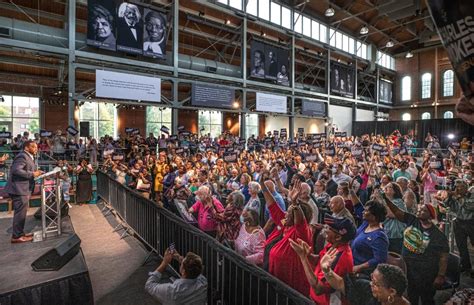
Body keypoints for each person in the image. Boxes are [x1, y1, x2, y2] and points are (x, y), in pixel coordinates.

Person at [384, 193, 449, 305]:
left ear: (430, 215)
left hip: (426, 273)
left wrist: (440, 275)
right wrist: (386, 199)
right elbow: (397, 211)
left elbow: (444, 257)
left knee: (426, 298)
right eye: (419, 209)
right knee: (411, 296)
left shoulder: (438, 235)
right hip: (409, 268)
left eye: (423, 210)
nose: (419, 211)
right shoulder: (412, 220)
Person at [289, 214, 356, 305]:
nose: (325, 229)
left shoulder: (340, 258)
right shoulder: (333, 245)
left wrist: (303, 258)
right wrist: (308, 255)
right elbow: (319, 261)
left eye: (329, 228)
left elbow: (318, 288)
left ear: (338, 237)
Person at [262, 179, 313, 295]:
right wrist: (262, 185)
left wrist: (295, 204)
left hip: (291, 288)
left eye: (290, 213)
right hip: (275, 281)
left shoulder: (302, 233)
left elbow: (301, 222)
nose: (286, 215)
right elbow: (273, 206)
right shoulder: (285, 224)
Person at [319, 249, 409, 305]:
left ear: (392, 291)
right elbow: (340, 284)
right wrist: (326, 270)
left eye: (375, 283)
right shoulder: (367, 289)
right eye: (372, 279)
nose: (371, 284)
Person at [6, 140, 43, 243]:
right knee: (20, 214)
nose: (36, 149)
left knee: (22, 213)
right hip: (19, 189)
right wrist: (32, 174)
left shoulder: (27, 157)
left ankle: (20, 233)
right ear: (27, 148)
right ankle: (16, 236)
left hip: (23, 189)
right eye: (33, 147)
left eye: (36, 147)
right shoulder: (22, 156)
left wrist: (37, 173)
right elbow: (16, 170)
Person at [443, 179, 474, 277]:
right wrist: (449, 196)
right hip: (459, 222)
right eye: (456, 187)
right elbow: (447, 205)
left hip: (471, 222)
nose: (457, 189)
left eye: (460, 187)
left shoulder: (472, 193)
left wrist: (457, 196)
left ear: (465, 187)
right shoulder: (456, 195)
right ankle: (465, 266)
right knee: (461, 246)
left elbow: (469, 206)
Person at [351, 200, 389, 276]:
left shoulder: (379, 236)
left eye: (366, 211)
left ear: (374, 216)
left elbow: (379, 260)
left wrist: (358, 267)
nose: (363, 212)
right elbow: (358, 206)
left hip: (362, 273)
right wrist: (351, 190)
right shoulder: (366, 224)